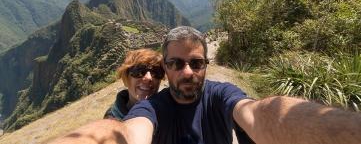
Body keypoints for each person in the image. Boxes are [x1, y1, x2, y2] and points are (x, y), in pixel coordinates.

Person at [49, 26, 361, 144]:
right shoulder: (150, 108)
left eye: (196, 63)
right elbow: (126, 133)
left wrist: (345, 131)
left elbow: (260, 113)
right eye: (175, 64)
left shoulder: (220, 95)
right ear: (167, 70)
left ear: (206, 66)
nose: (187, 72)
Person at [103, 48, 165, 120]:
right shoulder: (111, 120)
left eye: (157, 72)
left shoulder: (168, 111)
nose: (149, 78)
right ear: (126, 78)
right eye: (139, 71)